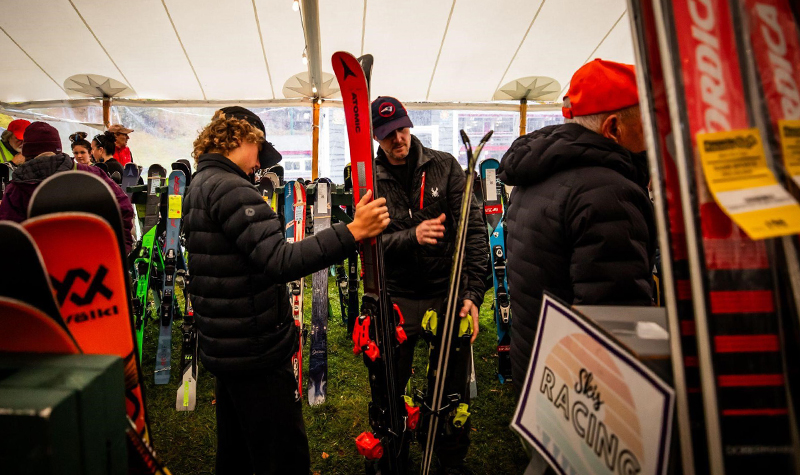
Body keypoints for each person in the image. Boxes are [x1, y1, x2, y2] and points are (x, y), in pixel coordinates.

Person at [182, 106, 389, 475]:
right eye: (258, 149)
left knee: (238, 452)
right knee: (283, 454)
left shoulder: (201, 182)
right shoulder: (232, 188)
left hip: (226, 343)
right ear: (241, 138)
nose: (259, 164)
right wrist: (353, 231)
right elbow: (280, 260)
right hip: (254, 347)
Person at [497, 59, 656, 474]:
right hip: (587, 399)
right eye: (645, 121)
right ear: (614, 129)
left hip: (538, 370)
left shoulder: (535, 175)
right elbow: (617, 321)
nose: (653, 134)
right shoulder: (609, 192)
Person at [370, 96, 489, 474]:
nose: (398, 139)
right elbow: (366, 247)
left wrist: (471, 294)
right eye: (388, 134)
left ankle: (450, 458)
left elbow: (471, 231)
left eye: (402, 129)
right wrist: (412, 236)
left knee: (450, 386)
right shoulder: (368, 179)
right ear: (376, 137)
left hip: (445, 292)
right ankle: (395, 456)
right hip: (398, 296)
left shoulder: (444, 166)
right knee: (390, 387)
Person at [0, 121, 135, 252]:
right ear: (58, 148)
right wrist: (121, 248)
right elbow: (123, 207)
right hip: (93, 264)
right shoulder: (92, 175)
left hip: (39, 268)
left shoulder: (16, 188)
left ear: (26, 151)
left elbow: (8, 233)